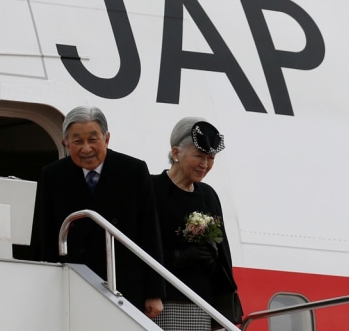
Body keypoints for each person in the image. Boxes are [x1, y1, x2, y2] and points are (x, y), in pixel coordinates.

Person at [36, 106, 165, 319]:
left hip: (124, 283)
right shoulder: (53, 175)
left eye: (93, 139)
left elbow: (150, 233)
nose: (86, 148)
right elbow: (46, 235)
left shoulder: (133, 170)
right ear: (65, 143)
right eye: (77, 141)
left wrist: (154, 292)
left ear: (107, 139)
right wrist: (47, 284)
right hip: (75, 281)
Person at [151, 117, 240, 330]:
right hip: (164, 301)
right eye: (199, 156)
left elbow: (224, 255)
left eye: (210, 158)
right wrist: (179, 257)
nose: (205, 165)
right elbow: (139, 246)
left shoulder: (208, 195)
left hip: (202, 302)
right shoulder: (152, 189)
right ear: (176, 153)